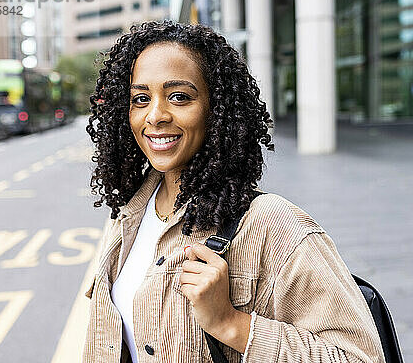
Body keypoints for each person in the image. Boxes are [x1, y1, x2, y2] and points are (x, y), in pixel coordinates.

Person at [84, 21, 384, 362]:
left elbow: (359, 357)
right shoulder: (128, 217)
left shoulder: (274, 226)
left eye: (179, 97)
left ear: (217, 108)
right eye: (140, 99)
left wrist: (231, 324)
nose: (155, 115)